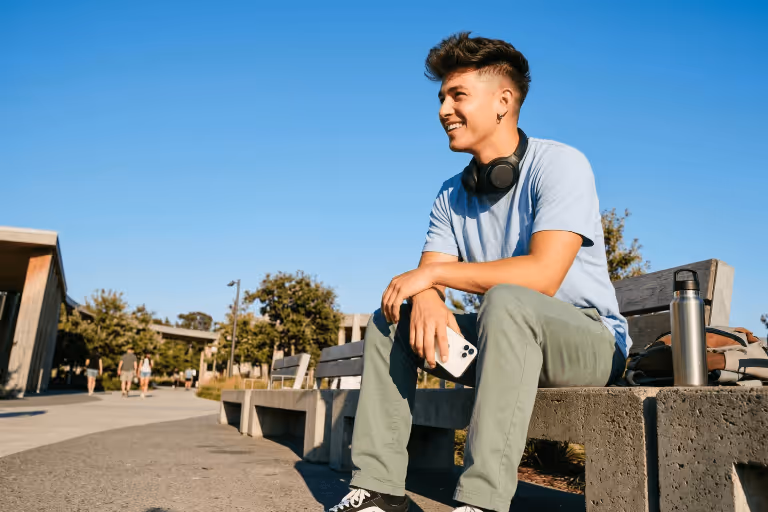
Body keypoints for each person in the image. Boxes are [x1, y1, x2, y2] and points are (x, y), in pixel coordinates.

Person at [326, 33, 630, 512]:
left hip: (588, 345)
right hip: (501, 342)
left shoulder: (560, 165)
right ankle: (380, 490)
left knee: (507, 300)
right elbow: (430, 276)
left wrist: (431, 280)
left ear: (503, 102)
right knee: (390, 321)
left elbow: (543, 275)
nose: (444, 109)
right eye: (441, 98)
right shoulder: (451, 195)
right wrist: (426, 292)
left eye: (458, 95)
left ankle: (483, 502)